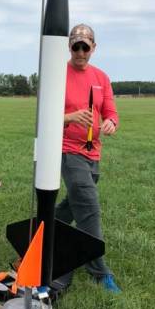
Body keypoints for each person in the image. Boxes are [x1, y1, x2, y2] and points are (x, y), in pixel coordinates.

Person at [55, 23, 121, 293]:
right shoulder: (58, 74)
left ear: (94, 47)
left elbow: (111, 112)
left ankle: (43, 232)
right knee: (88, 205)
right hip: (67, 150)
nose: (81, 52)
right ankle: (99, 271)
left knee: (73, 204)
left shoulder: (101, 77)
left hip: (93, 152)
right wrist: (70, 117)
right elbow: (44, 116)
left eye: (85, 47)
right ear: (69, 47)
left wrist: (112, 123)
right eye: (76, 47)